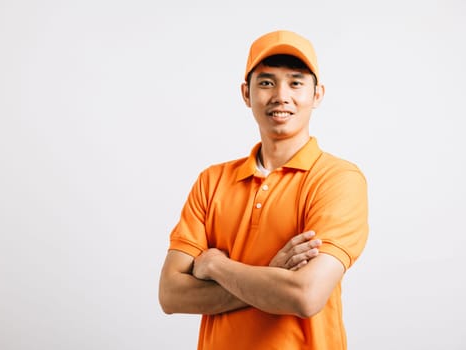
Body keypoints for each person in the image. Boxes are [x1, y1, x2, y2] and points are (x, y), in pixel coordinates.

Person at [158, 29, 369, 350]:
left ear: (318, 94)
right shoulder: (212, 182)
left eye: (296, 82)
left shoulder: (338, 178)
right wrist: (271, 278)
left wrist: (217, 265)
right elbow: (171, 294)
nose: (281, 95)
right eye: (267, 82)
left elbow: (305, 295)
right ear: (246, 93)